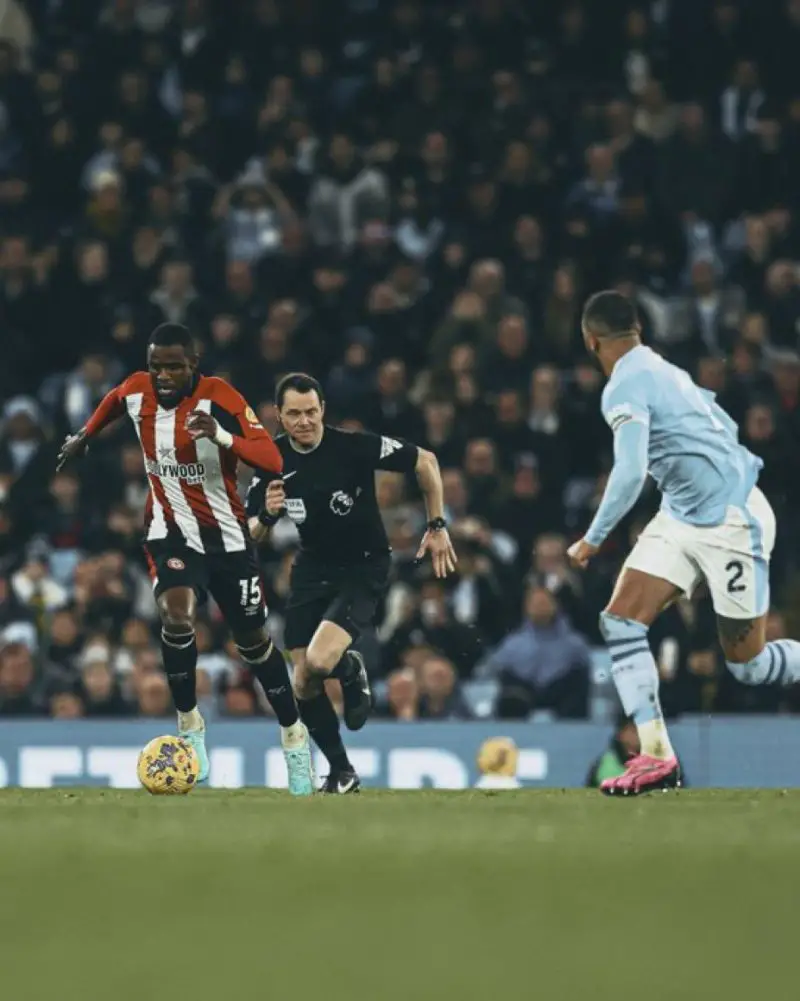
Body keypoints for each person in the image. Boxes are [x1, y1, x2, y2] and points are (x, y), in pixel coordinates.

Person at [56, 323, 315, 795]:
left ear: (193, 364)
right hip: (170, 533)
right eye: (156, 366)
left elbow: (272, 460)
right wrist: (85, 434)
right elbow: (115, 399)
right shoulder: (138, 389)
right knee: (176, 616)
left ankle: (294, 737)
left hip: (229, 540)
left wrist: (222, 436)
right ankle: (190, 725)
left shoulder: (221, 397)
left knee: (254, 643)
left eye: (174, 367)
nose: (163, 376)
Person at [567, 291, 800, 796]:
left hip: (732, 518)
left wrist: (592, 538)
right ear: (638, 330)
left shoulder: (624, 385)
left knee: (750, 665)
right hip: (682, 512)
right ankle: (656, 756)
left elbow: (630, 472)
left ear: (590, 340)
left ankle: (657, 754)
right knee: (620, 620)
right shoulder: (663, 369)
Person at [246, 372, 457, 793]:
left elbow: (426, 461)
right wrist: (267, 516)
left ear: (323, 409)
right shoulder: (270, 461)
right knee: (303, 681)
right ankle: (342, 771)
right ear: (279, 416)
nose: (305, 421)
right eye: (294, 414)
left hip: (363, 566)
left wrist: (436, 525)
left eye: (311, 411)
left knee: (319, 662)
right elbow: (250, 532)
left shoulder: (354, 446)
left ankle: (349, 666)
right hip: (312, 568)